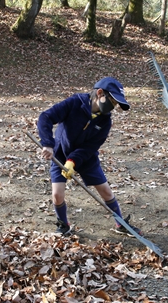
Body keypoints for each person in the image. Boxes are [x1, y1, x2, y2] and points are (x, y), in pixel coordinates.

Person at [37, 77, 142, 237]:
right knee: (57, 195)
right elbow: (46, 117)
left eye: (115, 105)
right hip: (60, 153)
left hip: (86, 158)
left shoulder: (105, 122)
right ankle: (63, 225)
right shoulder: (74, 103)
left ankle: (120, 224)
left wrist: (73, 161)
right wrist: (48, 143)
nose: (113, 107)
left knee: (106, 191)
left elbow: (90, 147)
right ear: (100, 93)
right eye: (112, 101)